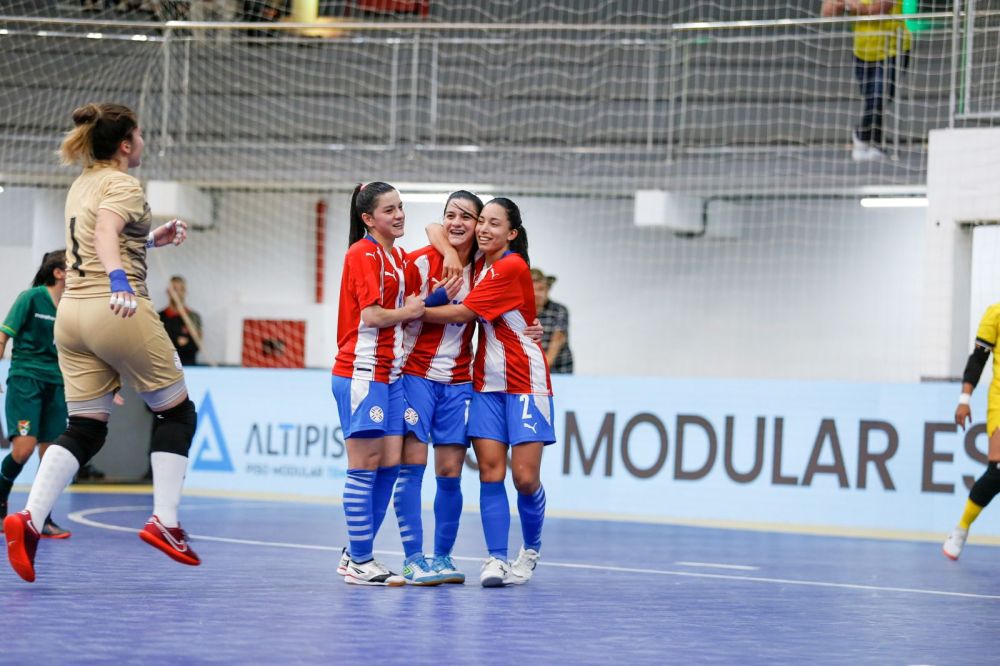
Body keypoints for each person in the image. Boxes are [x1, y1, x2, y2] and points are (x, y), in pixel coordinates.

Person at [4, 102, 200, 583]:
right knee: (176, 412)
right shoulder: (123, 183)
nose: (145, 143)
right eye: (141, 135)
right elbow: (109, 232)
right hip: (115, 308)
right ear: (126, 144)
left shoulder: (83, 183)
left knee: (86, 427)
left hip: (70, 319)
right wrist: (120, 281)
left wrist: (151, 239)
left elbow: (93, 237)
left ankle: (29, 518)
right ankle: (166, 522)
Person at [423, 197, 554, 587]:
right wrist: (448, 247)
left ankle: (529, 551)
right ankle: (496, 559)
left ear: (511, 234)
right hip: (485, 386)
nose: (482, 229)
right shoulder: (478, 263)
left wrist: (406, 312)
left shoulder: (511, 266)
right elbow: (433, 228)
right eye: (482, 221)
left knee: (525, 479)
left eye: (494, 224)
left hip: (526, 381)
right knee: (491, 474)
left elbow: (463, 313)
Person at [332, 181, 425, 586]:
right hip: (362, 372)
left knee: (390, 464)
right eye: (390, 210)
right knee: (364, 466)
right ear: (368, 219)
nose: (400, 214)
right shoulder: (361, 254)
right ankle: (360, 560)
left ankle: (355, 553)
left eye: (401, 207)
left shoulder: (399, 256)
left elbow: (419, 293)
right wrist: (409, 310)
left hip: (392, 376)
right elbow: (371, 316)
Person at [0, 250, 72, 539]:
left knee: (51, 456)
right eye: (73, 266)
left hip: (58, 384)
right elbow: (3, 335)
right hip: (26, 381)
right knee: (23, 449)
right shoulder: (30, 298)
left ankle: (42, 518)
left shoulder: (72, 306)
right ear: (58, 272)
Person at [821, 0, 911, 161]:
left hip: (893, 47)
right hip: (863, 51)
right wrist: (846, 5)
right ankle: (875, 143)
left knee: (879, 96)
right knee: (872, 100)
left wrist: (851, 5)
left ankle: (861, 136)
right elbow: (828, 11)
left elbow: (881, 8)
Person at [944, 303, 1000, 560]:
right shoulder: (995, 313)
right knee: (998, 470)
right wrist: (964, 400)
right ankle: (962, 527)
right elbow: (978, 359)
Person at [531, 267, 574, 374]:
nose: (537, 293)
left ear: (547, 289)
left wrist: (542, 367)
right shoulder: (518, 312)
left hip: (559, 368)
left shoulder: (559, 310)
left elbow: (557, 340)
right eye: (532, 289)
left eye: (541, 289)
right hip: (532, 367)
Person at [159, 275, 202, 367]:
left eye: (181, 289)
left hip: (189, 367)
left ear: (185, 291)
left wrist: (173, 341)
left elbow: (197, 345)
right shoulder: (159, 317)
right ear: (168, 292)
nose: (177, 293)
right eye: (174, 289)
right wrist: (179, 341)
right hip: (166, 367)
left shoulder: (193, 317)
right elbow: (158, 346)